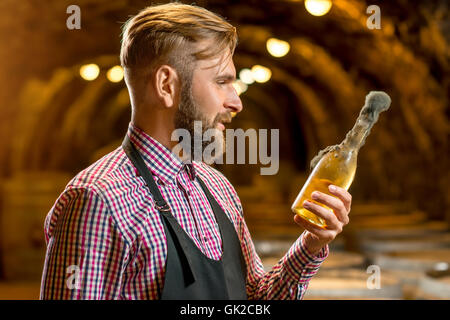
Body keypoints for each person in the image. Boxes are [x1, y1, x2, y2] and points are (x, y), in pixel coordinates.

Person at [40, 3, 352, 300]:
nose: (236, 102)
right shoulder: (99, 199)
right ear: (166, 85)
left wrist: (312, 244)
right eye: (221, 82)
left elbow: (254, 297)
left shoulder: (217, 188)